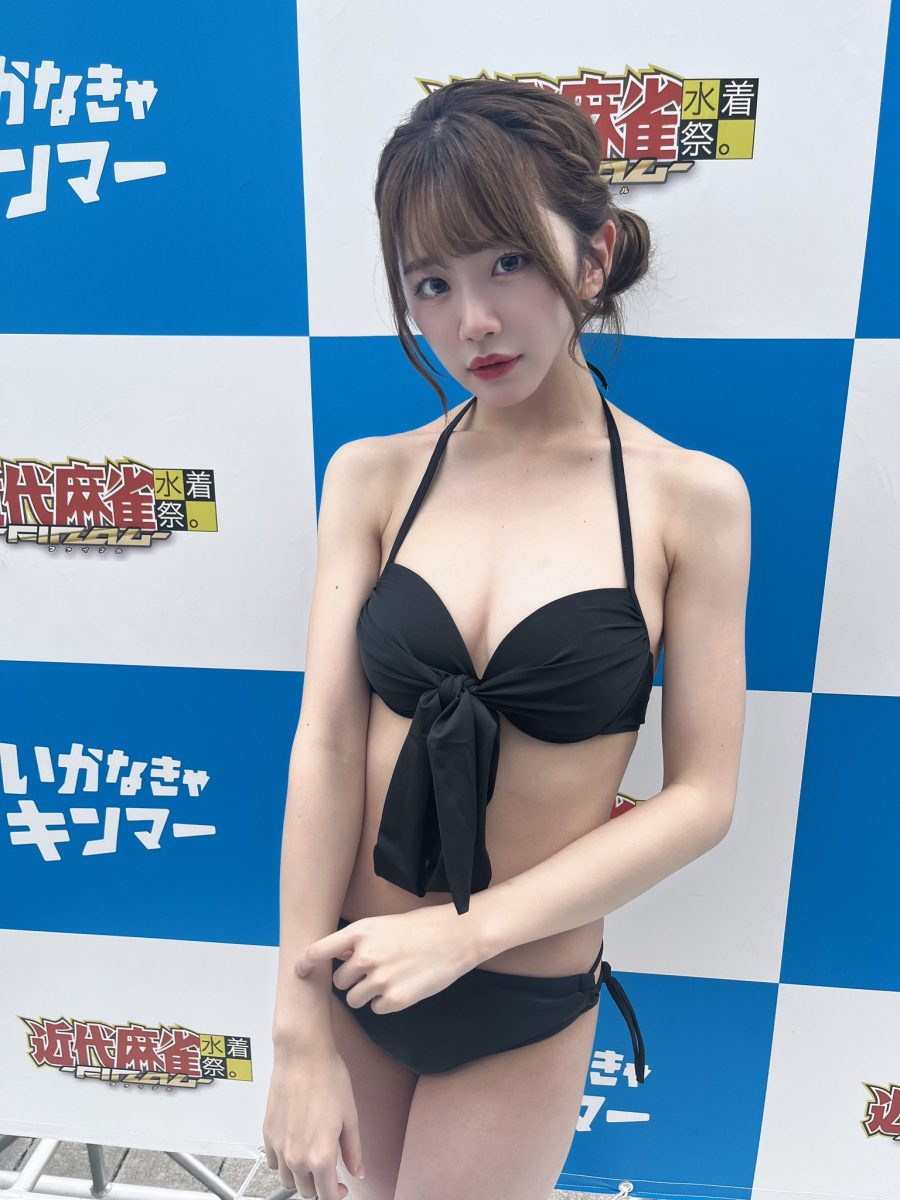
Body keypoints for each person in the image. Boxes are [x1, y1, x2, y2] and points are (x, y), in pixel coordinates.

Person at [263, 77, 750, 1200]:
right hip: (354, 966)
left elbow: (702, 798)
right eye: (431, 284)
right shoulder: (373, 477)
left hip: (520, 989)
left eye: (509, 263)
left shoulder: (690, 501)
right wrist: (295, 1018)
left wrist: (465, 937)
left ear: (594, 256)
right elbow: (326, 744)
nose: (472, 322)